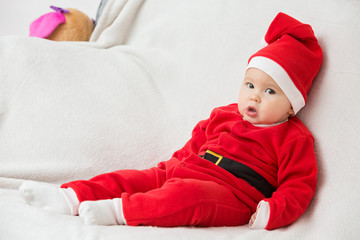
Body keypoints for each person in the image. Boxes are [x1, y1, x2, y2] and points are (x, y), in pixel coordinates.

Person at [19, 12, 323, 230]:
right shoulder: (225, 114)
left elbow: (299, 186)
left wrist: (272, 211)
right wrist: (170, 169)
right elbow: (194, 145)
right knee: (138, 178)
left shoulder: (293, 138)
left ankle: (117, 210)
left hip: (232, 195)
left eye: (270, 91)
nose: (254, 97)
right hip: (189, 168)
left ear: (291, 105)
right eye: (250, 85)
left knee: (188, 197)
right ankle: (70, 196)